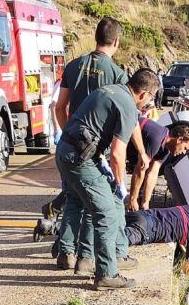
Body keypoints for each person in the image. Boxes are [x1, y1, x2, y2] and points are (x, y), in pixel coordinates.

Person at [51, 18, 150, 271]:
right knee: (103, 203)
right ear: (116, 41)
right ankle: (94, 257)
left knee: (74, 197)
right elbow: (129, 119)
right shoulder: (117, 74)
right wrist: (140, 151)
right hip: (98, 148)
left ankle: (66, 252)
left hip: (71, 143)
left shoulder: (73, 66)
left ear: (96, 37)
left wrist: (70, 134)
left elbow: (59, 107)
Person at [56, 68, 159, 290]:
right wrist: (120, 185)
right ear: (144, 94)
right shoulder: (128, 105)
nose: (148, 103)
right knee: (107, 212)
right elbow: (117, 153)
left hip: (68, 152)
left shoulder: (111, 90)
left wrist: (141, 153)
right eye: (151, 98)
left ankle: (86, 259)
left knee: (94, 203)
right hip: (81, 159)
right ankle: (106, 274)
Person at [123, 205, 189, 276]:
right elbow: (188, 270)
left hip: (141, 215)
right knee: (114, 244)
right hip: (145, 230)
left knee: (109, 229)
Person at [128, 122, 189, 211]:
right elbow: (141, 168)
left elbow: (153, 173)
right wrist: (133, 199)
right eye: (185, 148)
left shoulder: (165, 150)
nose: (183, 152)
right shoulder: (157, 138)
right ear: (179, 139)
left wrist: (145, 203)